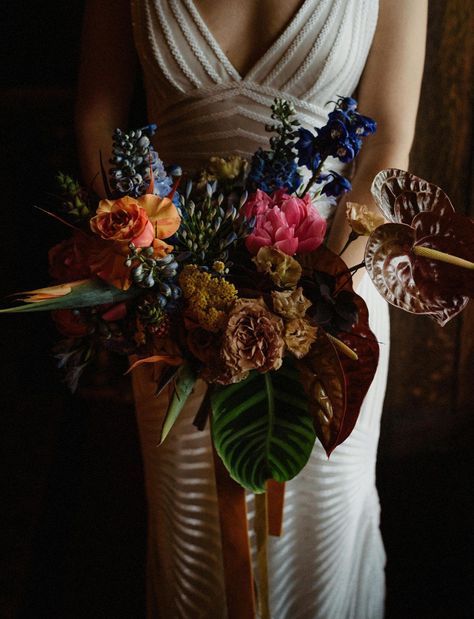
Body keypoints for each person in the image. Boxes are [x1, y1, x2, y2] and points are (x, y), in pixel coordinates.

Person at [75, 1, 427, 617]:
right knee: (194, 546)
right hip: (174, 312)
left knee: (325, 541)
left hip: (334, 308)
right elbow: (97, 114)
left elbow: (389, 137)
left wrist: (319, 296)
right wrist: (152, 260)